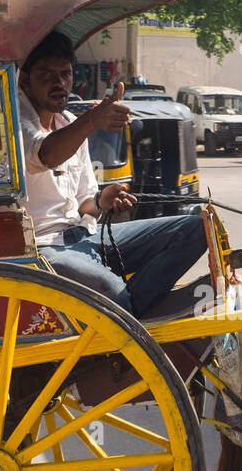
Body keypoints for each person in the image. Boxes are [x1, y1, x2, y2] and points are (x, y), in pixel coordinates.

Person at [16, 30, 206, 317]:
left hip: (84, 236)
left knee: (196, 228)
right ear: (25, 83)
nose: (59, 83)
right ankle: (128, 314)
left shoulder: (68, 121)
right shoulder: (15, 122)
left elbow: (84, 205)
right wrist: (92, 120)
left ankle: (130, 311)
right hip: (43, 250)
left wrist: (103, 200)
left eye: (65, 74)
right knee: (113, 296)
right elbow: (44, 155)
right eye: (47, 75)